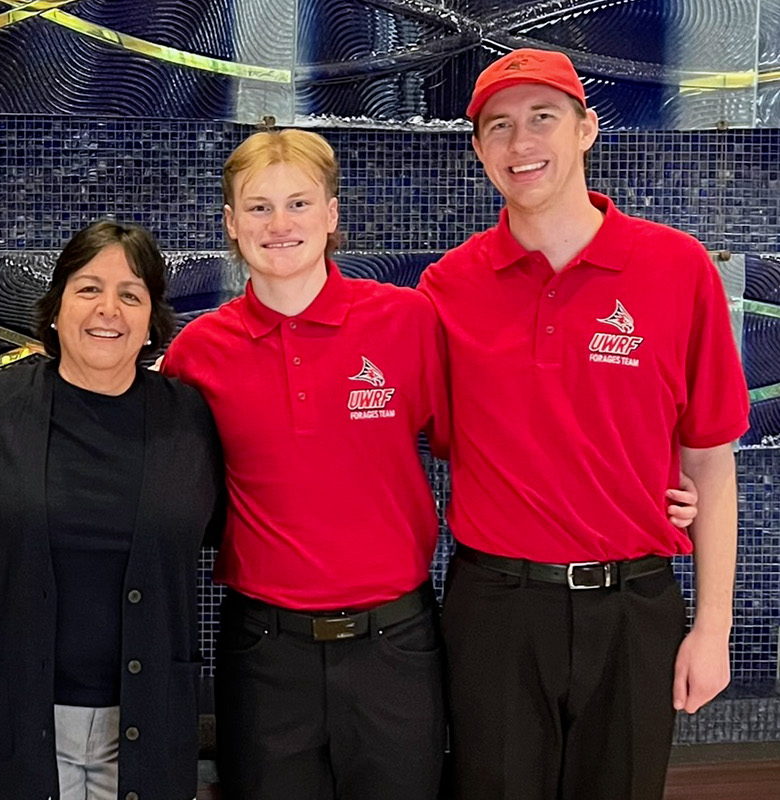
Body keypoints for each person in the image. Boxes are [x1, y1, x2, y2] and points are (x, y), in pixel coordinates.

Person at [159, 129, 700, 800]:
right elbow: (169, 484)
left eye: (299, 204)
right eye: (259, 207)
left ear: (331, 216)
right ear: (231, 224)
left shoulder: (408, 321)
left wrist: (643, 489)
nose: (280, 224)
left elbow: (508, 427)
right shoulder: (199, 351)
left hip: (397, 643)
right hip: (264, 646)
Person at [419, 48, 749, 800]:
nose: (520, 143)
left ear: (586, 130)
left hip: (634, 607)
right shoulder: (447, 290)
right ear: (479, 150)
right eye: (498, 126)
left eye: (543, 118)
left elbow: (709, 459)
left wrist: (713, 627)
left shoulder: (677, 268)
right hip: (496, 606)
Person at [0, 220, 224, 800]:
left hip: (148, 727)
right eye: (88, 288)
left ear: (152, 319)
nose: (108, 309)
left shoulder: (192, 420)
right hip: (13, 723)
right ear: (55, 307)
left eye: (131, 294)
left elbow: (214, 534)